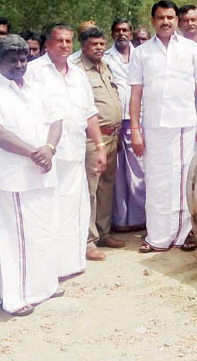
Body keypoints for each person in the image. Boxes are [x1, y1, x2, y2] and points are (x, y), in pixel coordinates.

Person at [0, 35, 64, 316]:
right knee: (13, 239)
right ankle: (16, 298)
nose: (19, 64)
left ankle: (45, 285)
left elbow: (56, 120)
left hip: (42, 171)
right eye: (12, 60)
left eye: (23, 58)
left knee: (43, 231)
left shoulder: (36, 87)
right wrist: (33, 152)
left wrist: (49, 148)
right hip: (13, 176)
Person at [129, 0, 197, 253]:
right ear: (153, 21)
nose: (166, 21)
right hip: (153, 126)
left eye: (170, 17)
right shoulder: (141, 53)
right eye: (160, 17)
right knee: (157, 180)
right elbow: (135, 93)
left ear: (177, 20)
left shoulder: (191, 49)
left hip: (185, 125)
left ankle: (186, 233)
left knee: (184, 178)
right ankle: (157, 236)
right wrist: (135, 130)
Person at [27, 24, 105, 277]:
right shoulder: (33, 72)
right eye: (59, 41)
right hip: (48, 155)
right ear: (47, 44)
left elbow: (90, 113)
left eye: (68, 41)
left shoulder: (77, 74)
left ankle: (71, 262)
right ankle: (49, 266)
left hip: (75, 151)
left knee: (75, 208)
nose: (64, 45)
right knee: (49, 209)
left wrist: (100, 146)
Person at [74, 27, 126, 260]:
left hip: (112, 136)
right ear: (83, 45)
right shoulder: (77, 70)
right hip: (92, 139)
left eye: (102, 43)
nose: (99, 47)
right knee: (90, 190)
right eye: (94, 44)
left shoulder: (105, 67)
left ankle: (103, 232)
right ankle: (87, 241)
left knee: (107, 187)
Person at [104, 18, 146, 233]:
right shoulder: (105, 58)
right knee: (118, 172)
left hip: (139, 118)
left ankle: (141, 217)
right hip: (116, 119)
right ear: (112, 34)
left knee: (139, 169)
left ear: (131, 33)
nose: (121, 34)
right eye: (117, 31)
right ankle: (121, 220)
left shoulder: (141, 53)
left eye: (125, 30)